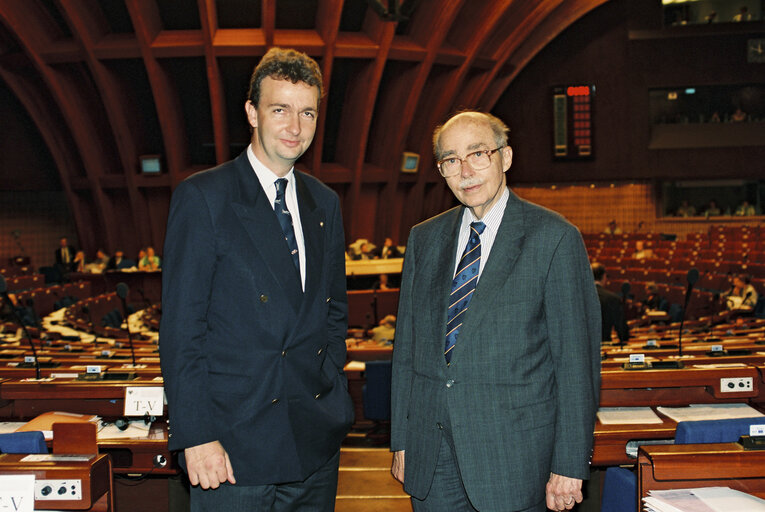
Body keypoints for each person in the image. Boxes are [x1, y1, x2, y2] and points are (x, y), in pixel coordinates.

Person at [159, 47, 353, 511]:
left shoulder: (324, 203)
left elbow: (334, 312)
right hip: (231, 448)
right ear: (251, 112)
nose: (294, 127)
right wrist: (197, 434)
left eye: (307, 113)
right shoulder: (205, 197)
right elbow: (182, 330)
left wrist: (329, 386)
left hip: (313, 440)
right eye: (279, 109)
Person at [390, 111, 601, 512]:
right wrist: (401, 438)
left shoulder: (554, 238)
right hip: (432, 455)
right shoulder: (424, 238)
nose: (465, 170)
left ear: (505, 158)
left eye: (478, 154)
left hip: (515, 458)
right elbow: (407, 351)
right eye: (451, 160)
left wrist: (570, 464)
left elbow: (576, 364)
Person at [592, 263, 630, 343]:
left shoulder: (578, 298)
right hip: (603, 345)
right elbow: (621, 328)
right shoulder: (612, 298)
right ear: (604, 276)